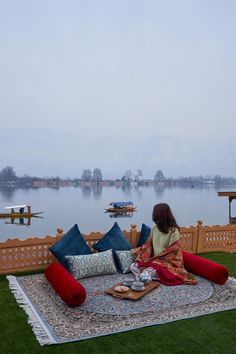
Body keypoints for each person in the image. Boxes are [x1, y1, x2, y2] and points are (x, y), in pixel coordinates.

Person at [132, 203, 197, 286]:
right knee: (133, 266)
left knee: (149, 271)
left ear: (162, 215)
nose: (154, 215)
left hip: (167, 262)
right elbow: (147, 245)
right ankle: (145, 277)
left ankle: (145, 277)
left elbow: (172, 252)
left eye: (155, 213)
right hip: (154, 260)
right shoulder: (155, 228)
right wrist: (143, 256)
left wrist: (156, 261)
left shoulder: (174, 231)